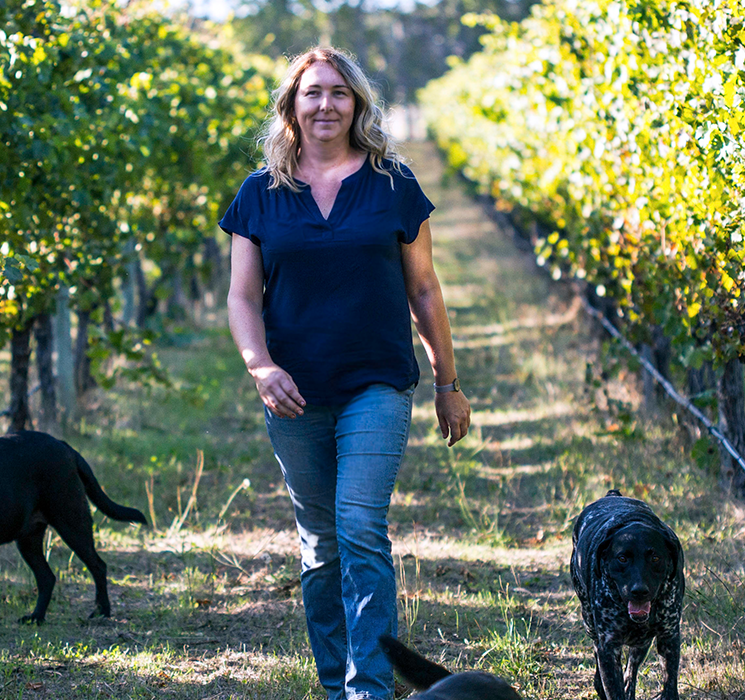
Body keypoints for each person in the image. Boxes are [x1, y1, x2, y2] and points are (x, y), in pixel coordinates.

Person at [221, 47, 471, 700]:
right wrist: (260, 366)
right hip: (292, 394)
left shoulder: (393, 184)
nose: (325, 104)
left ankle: (368, 690)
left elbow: (424, 290)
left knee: (360, 529)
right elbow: (242, 297)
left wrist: (447, 383)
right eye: (312, 93)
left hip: (377, 383)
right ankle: (338, 686)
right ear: (291, 107)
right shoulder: (259, 194)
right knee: (321, 545)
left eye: (338, 92)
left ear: (357, 104)